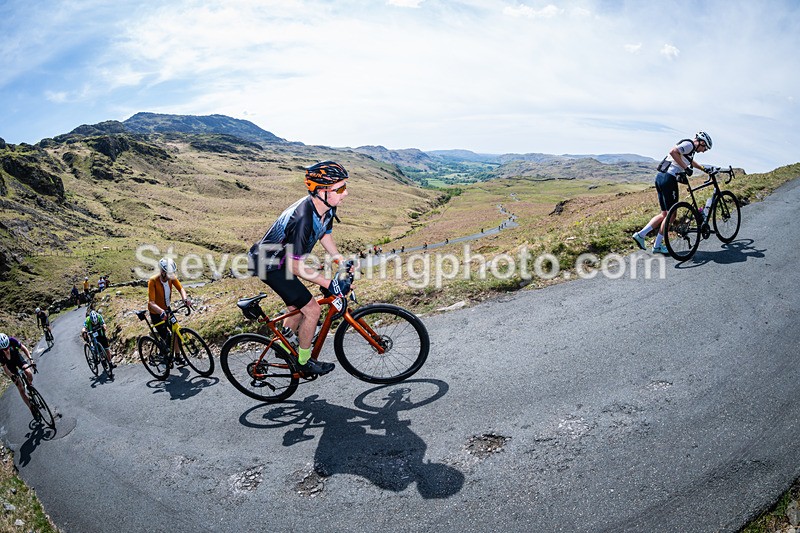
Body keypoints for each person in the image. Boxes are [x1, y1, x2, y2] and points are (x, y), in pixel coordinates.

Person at [248, 160, 354, 377]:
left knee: (295, 306)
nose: (345, 193)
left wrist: (339, 260)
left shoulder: (327, 207)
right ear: (322, 190)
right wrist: (329, 283)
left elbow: (325, 234)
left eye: (345, 187)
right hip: (269, 265)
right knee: (312, 309)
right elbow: (293, 265)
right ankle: (304, 362)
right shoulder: (303, 217)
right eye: (340, 188)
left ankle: (284, 346)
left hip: (282, 261)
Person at [632, 132, 713, 254]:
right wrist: (685, 168)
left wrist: (702, 168)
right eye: (705, 148)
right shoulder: (690, 144)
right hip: (669, 178)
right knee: (672, 215)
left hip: (660, 177)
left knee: (664, 214)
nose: (703, 151)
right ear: (701, 142)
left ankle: (641, 234)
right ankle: (657, 245)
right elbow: (673, 152)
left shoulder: (689, 149)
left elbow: (690, 161)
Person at [148, 257, 192, 347]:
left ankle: (177, 357)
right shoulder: (153, 281)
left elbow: (181, 289)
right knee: (167, 338)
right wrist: (161, 311)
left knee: (176, 332)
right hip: (156, 313)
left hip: (167, 309)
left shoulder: (171, 277)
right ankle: (164, 355)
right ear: (162, 272)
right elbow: (151, 303)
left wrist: (185, 299)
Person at [0, 333, 37, 418]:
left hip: (17, 358)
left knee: (29, 372)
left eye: (7, 347)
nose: (7, 349)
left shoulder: (12, 340)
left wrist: (30, 359)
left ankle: (29, 385)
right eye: (4, 349)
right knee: (20, 388)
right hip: (10, 366)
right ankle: (30, 407)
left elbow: (24, 348)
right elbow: (5, 368)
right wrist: (12, 375)